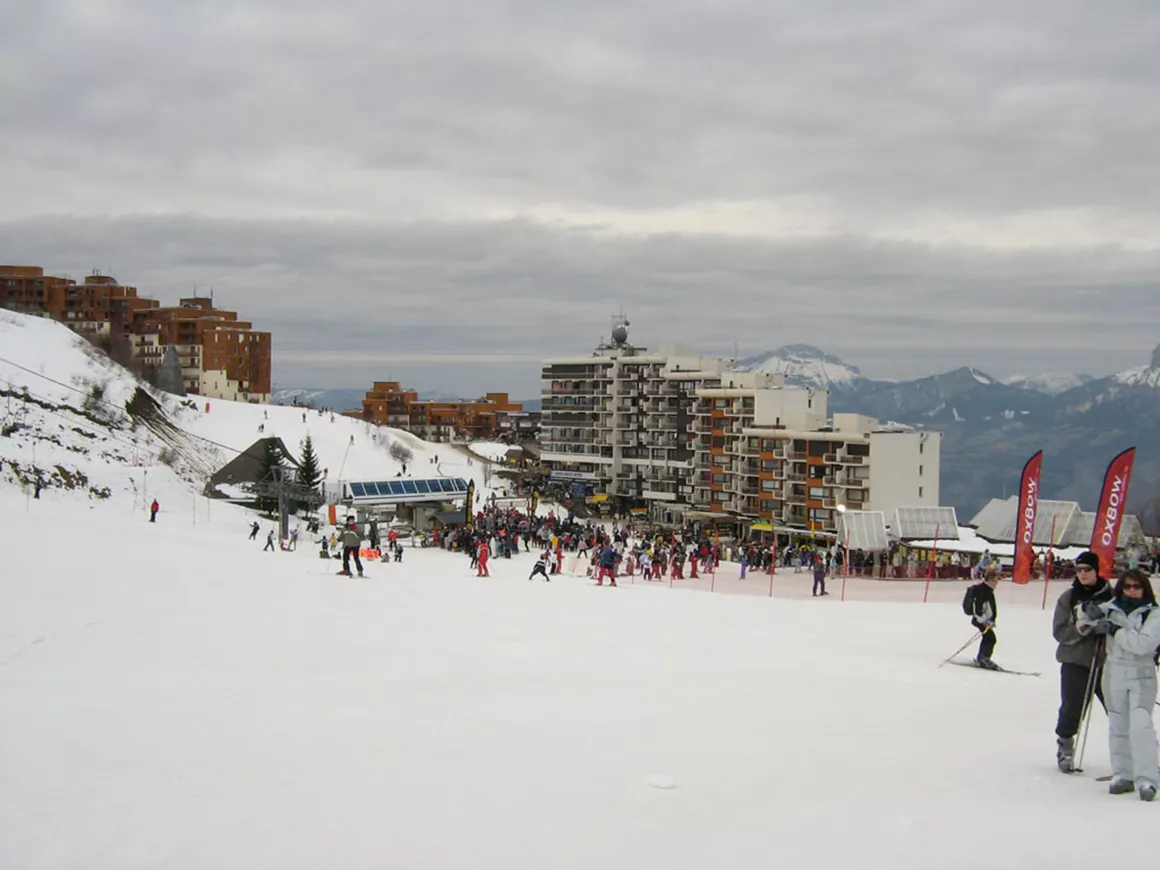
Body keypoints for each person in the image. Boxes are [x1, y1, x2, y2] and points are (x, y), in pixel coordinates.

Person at [1079, 569, 1160, 800]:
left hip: (1141, 674)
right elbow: (1084, 618)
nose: (1132, 591)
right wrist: (1086, 609)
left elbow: (1143, 645)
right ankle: (1123, 773)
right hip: (1114, 673)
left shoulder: (1152, 614)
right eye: (1127, 587)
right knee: (1118, 725)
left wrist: (1116, 630)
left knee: (1141, 726)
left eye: (1136, 587)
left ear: (1145, 588)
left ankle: (1148, 779)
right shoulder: (1113, 607)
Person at [1052, 550, 1113, 772]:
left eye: (1087, 569)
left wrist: (1109, 629)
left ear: (1096, 570)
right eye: (1079, 570)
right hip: (1075, 661)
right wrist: (1078, 630)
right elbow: (1059, 632)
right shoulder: (1068, 598)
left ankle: (1131, 750)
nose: (1083, 574)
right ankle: (1065, 746)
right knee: (1072, 706)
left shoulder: (1111, 595)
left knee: (1116, 708)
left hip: (1106, 661)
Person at [970, 568, 1000, 669]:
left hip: (985, 621)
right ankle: (983, 658)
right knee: (990, 638)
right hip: (981, 620)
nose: (997, 583)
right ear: (990, 581)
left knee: (989, 637)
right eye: (995, 581)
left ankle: (983, 657)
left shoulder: (987, 590)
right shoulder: (983, 591)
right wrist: (984, 621)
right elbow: (978, 608)